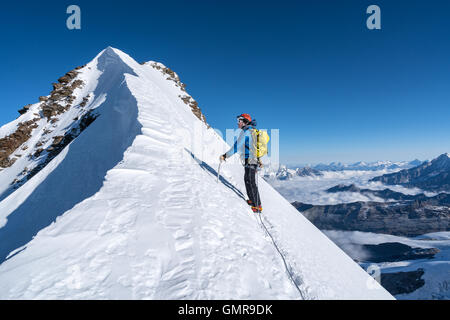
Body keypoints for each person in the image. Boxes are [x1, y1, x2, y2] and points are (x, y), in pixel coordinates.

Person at [220, 114, 263, 213]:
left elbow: (237, 146)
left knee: (250, 181)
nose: (237, 122)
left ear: (244, 122)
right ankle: (253, 201)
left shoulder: (247, 132)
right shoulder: (252, 131)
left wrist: (225, 155)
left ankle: (257, 205)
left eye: (239, 120)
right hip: (253, 160)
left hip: (250, 160)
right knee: (248, 180)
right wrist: (259, 160)